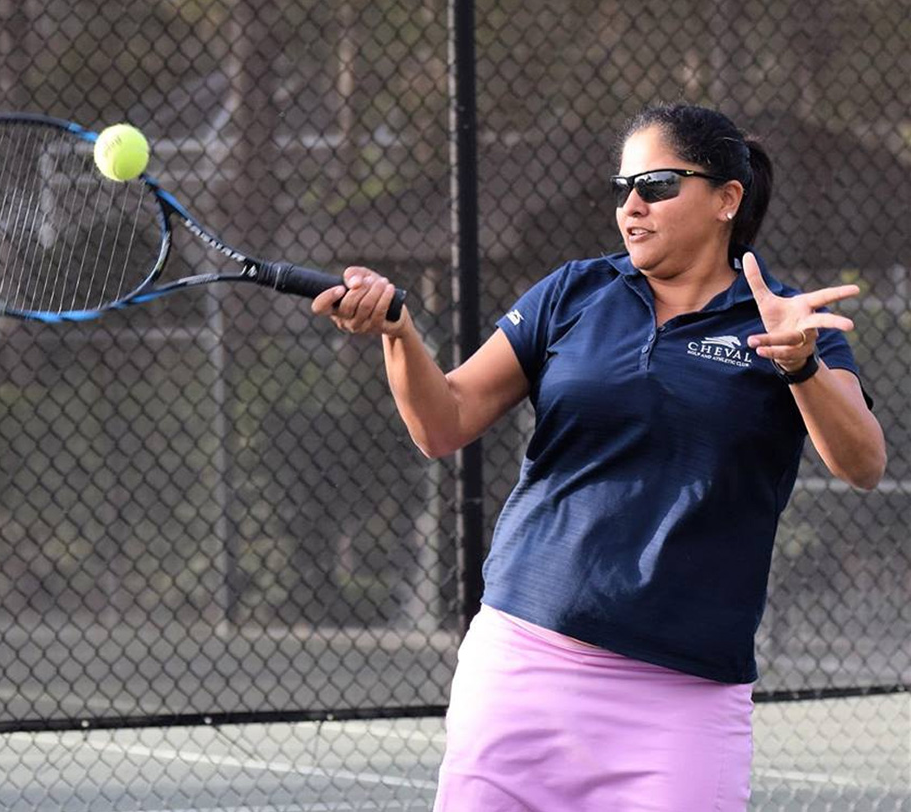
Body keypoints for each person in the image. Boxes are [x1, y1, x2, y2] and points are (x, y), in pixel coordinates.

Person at [311, 103, 886, 811]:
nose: (631, 205)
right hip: (523, 662)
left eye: (656, 185)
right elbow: (444, 420)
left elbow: (861, 462)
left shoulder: (787, 321)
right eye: (623, 188)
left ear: (725, 199)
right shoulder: (573, 291)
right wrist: (398, 329)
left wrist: (797, 364)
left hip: (685, 692)